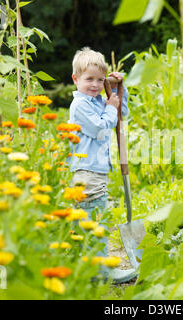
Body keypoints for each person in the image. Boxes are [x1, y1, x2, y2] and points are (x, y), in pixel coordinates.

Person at [67, 47, 136, 284]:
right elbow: (100, 126)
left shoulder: (97, 100)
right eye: (89, 79)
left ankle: (91, 268)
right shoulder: (81, 106)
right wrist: (110, 105)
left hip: (96, 171)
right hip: (86, 172)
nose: (95, 85)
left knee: (94, 219)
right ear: (76, 79)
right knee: (95, 221)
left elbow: (118, 113)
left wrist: (117, 92)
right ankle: (100, 272)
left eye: (99, 80)